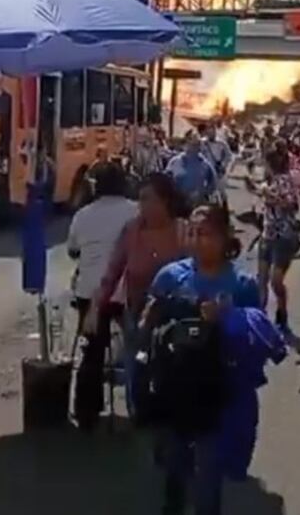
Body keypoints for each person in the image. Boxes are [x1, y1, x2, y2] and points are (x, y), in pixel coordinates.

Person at [141, 204, 262, 515]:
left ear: (224, 238)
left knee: (208, 475)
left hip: (218, 393)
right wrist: (150, 317)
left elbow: (259, 334)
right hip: (175, 388)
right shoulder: (170, 276)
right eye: (192, 232)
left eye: (205, 233)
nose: (197, 240)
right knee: (174, 465)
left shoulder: (242, 284)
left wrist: (228, 316)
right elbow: (147, 324)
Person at [82, 173, 189, 422]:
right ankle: (138, 413)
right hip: (137, 311)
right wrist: (95, 307)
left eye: (147, 199)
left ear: (165, 201)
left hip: (175, 314)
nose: (142, 206)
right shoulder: (132, 231)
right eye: (140, 199)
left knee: (172, 368)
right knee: (137, 364)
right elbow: (112, 273)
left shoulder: (182, 230)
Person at [67, 162, 139, 430]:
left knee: (92, 353)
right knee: (137, 347)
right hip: (124, 291)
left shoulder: (83, 214)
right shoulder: (135, 211)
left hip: (90, 293)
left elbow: (73, 250)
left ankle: (86, 411)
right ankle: (139, 403)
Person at [256, 148, 300, 335]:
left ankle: (282, 312)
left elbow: (292, 205)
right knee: (262, 278)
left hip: (284, 236)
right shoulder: (267, 181)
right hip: (268, 233)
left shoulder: (284, 180)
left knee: (275, 280)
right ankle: (259, 316)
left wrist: (272, 198)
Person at [166, 134, 217, 209]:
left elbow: (213, 184)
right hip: (177, 204)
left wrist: (202, 192)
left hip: (197, 205)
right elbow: (166, 180)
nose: (193, 147)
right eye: (191, 144)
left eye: (196, 144)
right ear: (185, 144)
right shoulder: (175, 162)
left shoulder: (205, 164)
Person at [202, 124, 234, 209]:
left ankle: (224, 210)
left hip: (218, 170)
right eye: (209, 131)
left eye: (213, 131)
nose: (211, 133)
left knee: (221, 192)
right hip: (206, 170)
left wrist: (223, 165)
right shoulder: (202, 143)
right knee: (206, 191)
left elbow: (229, 156)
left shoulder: (222, 143)